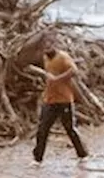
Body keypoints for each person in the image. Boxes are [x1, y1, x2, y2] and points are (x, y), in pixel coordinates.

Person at [33, 32, 89, 162]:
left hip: (64, 100)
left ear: (55, 45)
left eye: (50, 45)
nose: (47, 48)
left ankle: (83, 155)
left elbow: (74, 70)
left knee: (70, 129)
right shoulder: (45, 58)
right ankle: (37, 159)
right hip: (50, 100)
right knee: (42, 129)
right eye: (45, 45)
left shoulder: (63, 57)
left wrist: (57, 79)